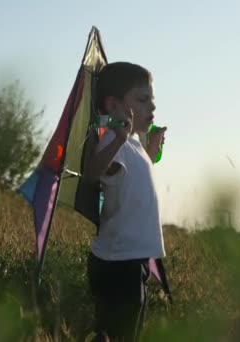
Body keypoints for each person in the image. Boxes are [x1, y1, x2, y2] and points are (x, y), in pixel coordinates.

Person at [84, 61, 167, 342]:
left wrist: (152, 149)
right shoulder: (112, 141)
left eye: (151, 101)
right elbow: (92, 174)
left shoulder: (131, 144)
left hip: (132, 260)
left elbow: (135, 185)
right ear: (113, 105)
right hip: (119, 263)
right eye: (142, 100)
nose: (151, 108)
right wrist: (119, 139)